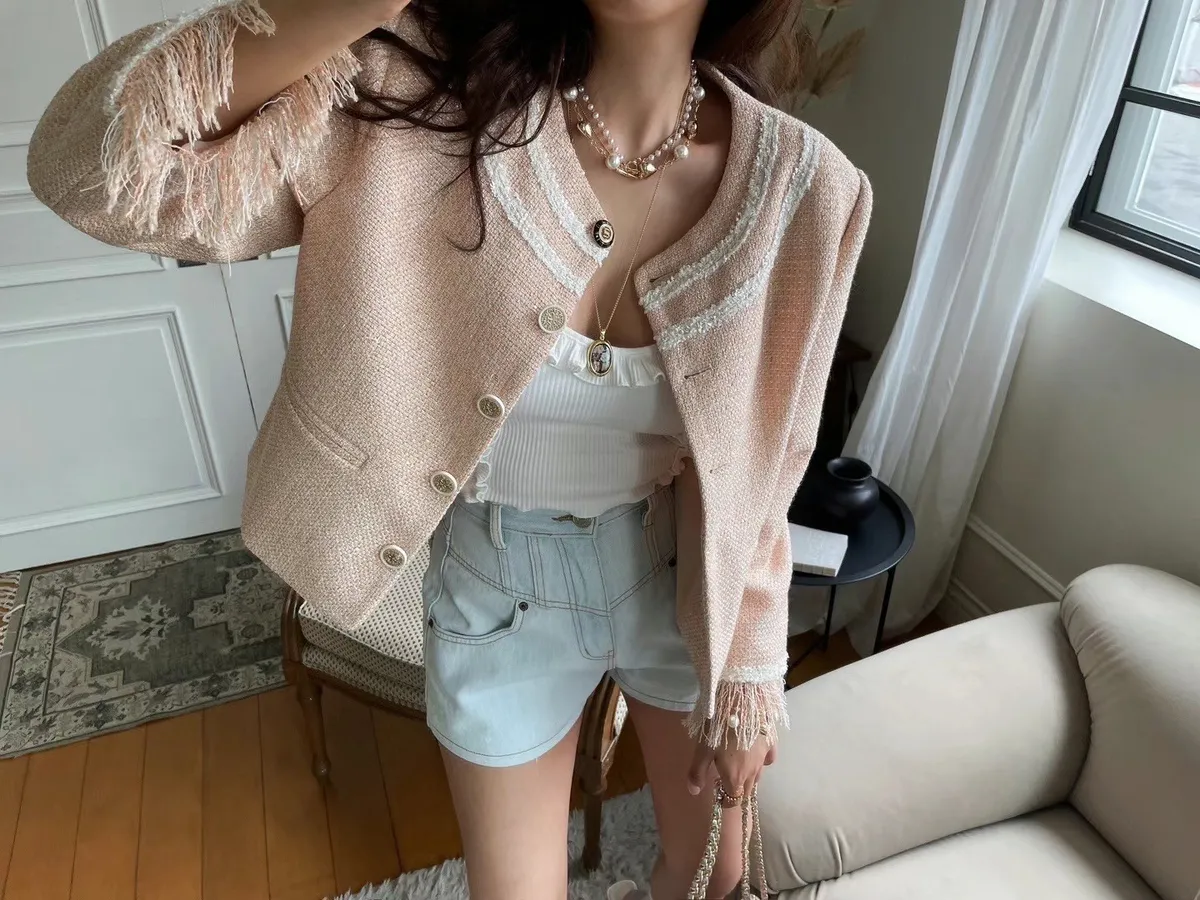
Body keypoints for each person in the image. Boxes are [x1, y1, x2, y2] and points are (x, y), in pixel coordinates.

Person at [27, 1, 870, 896]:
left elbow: (766, 469)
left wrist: (749, 672)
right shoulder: (414, 106)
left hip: (682, 580)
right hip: (494, 588)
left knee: (716, 877)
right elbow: (91, 171)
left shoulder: (804, 188)